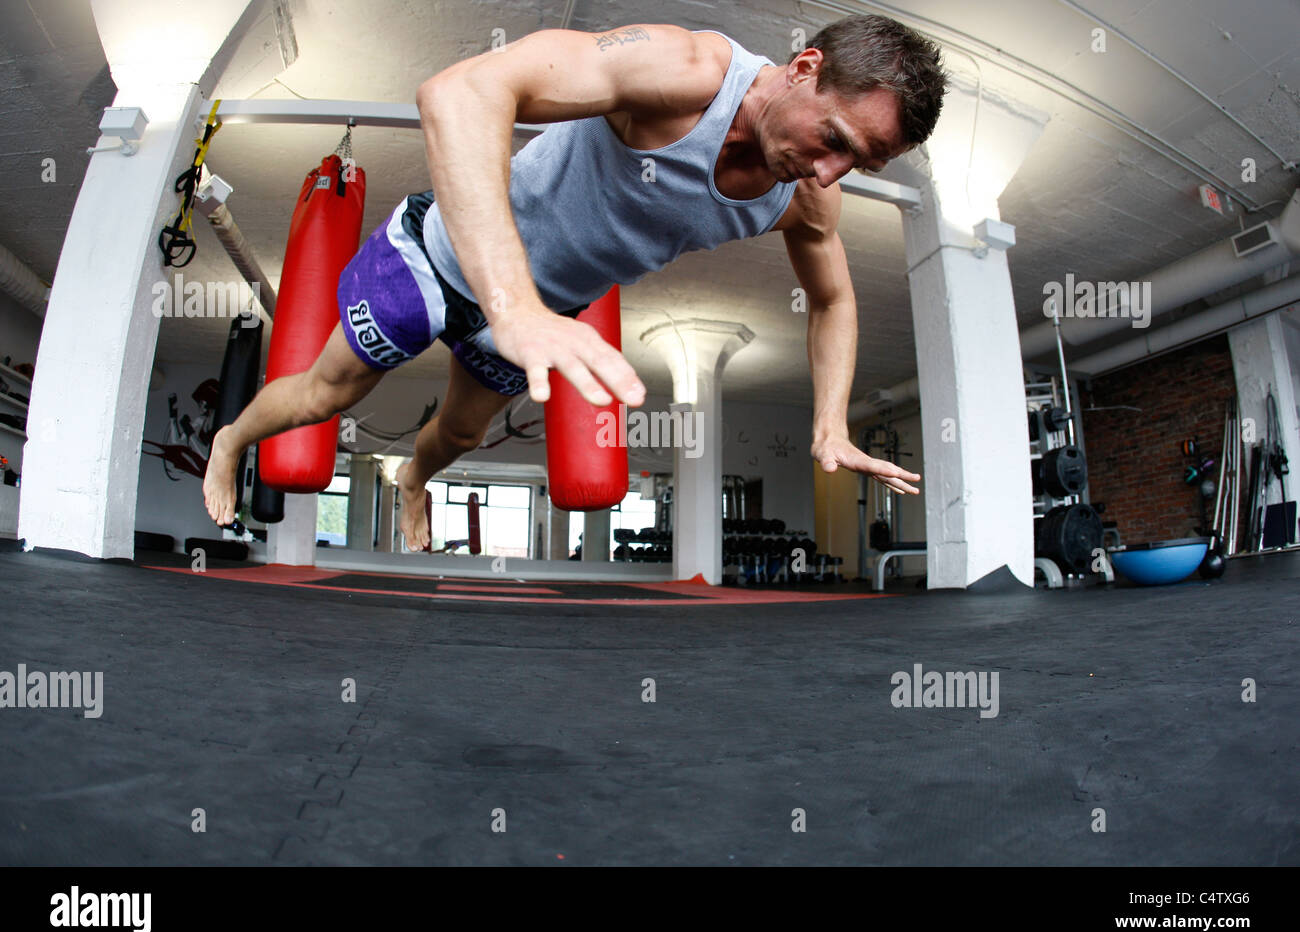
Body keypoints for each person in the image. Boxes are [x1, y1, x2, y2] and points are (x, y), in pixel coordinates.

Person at [203, 14, 946, 550]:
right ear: (806, 68)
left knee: (462, 430)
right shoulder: (683, 71)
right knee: (329, 392)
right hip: (439, 258)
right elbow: (458, 93)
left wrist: (829, 424)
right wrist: (511, 303)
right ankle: (233, 441)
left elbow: (833, 297)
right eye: (835, 141)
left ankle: (410, 481)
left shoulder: (809, 195)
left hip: (541, 311)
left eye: (859, 166)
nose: (828, 174)